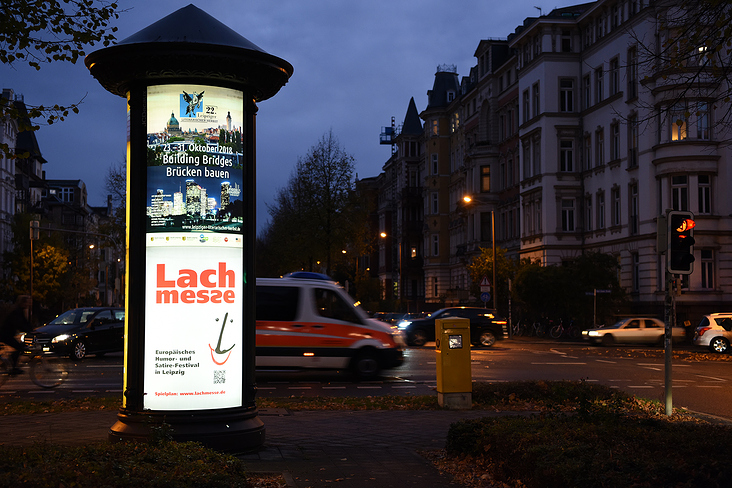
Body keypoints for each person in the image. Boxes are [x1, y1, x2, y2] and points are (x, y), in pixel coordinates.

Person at [0, 295, 32, 375]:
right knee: (19, 348)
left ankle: (11, 364)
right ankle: (13, 367)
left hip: (7, 334)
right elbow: (19, 323)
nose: (29, 304)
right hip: (5, 334)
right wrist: (29, 330)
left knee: (19, 347)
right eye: (27, 302)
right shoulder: (16, 311)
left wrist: (32, 330)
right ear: (23, 302)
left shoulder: (19, 310)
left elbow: (25, 323)